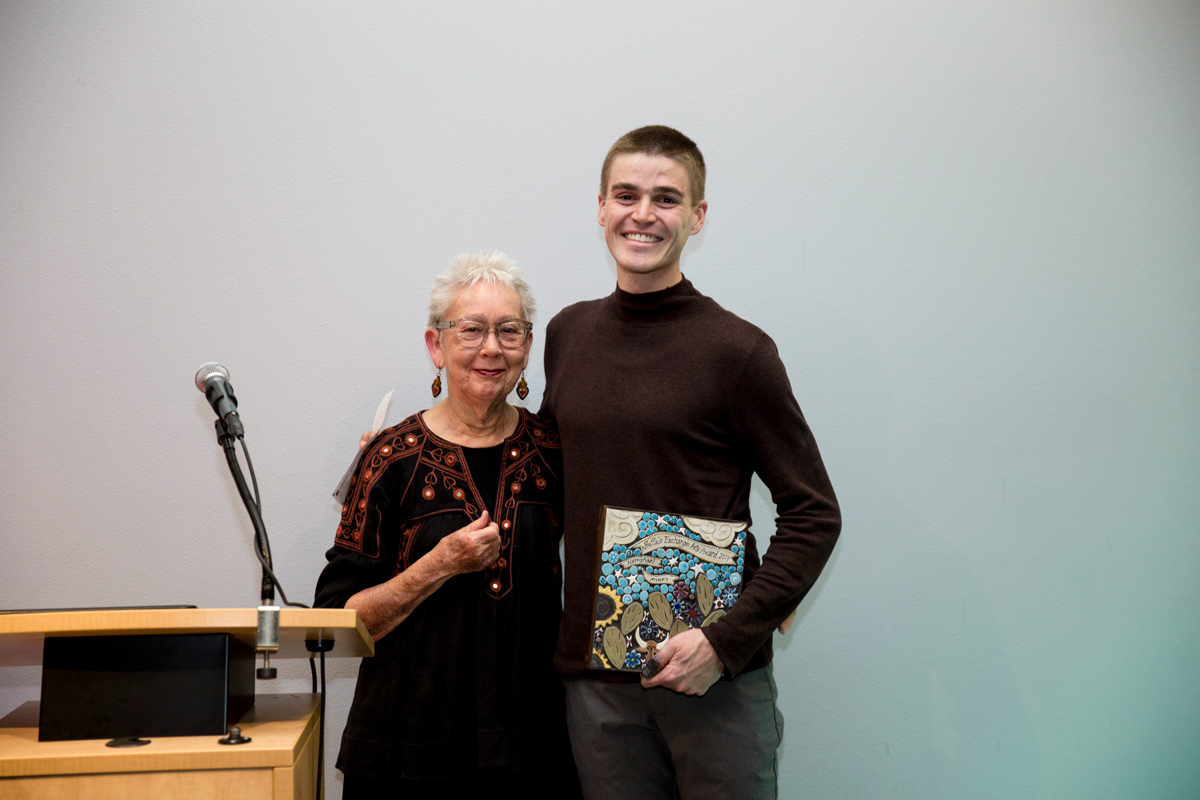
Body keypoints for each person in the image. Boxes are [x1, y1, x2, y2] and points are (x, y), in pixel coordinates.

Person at [538, 126, 842, 799]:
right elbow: (543, 477)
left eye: (666, 198)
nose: (642, 213)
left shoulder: (738, 352)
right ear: (599, 207)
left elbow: (814, 514)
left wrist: (725, 641)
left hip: (713, 682)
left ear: (697, 217)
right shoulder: (567, 334)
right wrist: (428, 445)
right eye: (626, 194)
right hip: (596, 687)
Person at [314, 250, 576, 798]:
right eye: (471, 330)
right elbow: (335, 622)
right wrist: (437, 566)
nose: (491, 348)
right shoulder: (389, 459)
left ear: (527, 348)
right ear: (436, 345)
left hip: (532, 750)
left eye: (509, 331)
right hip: (406, 753)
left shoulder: (555, 451)